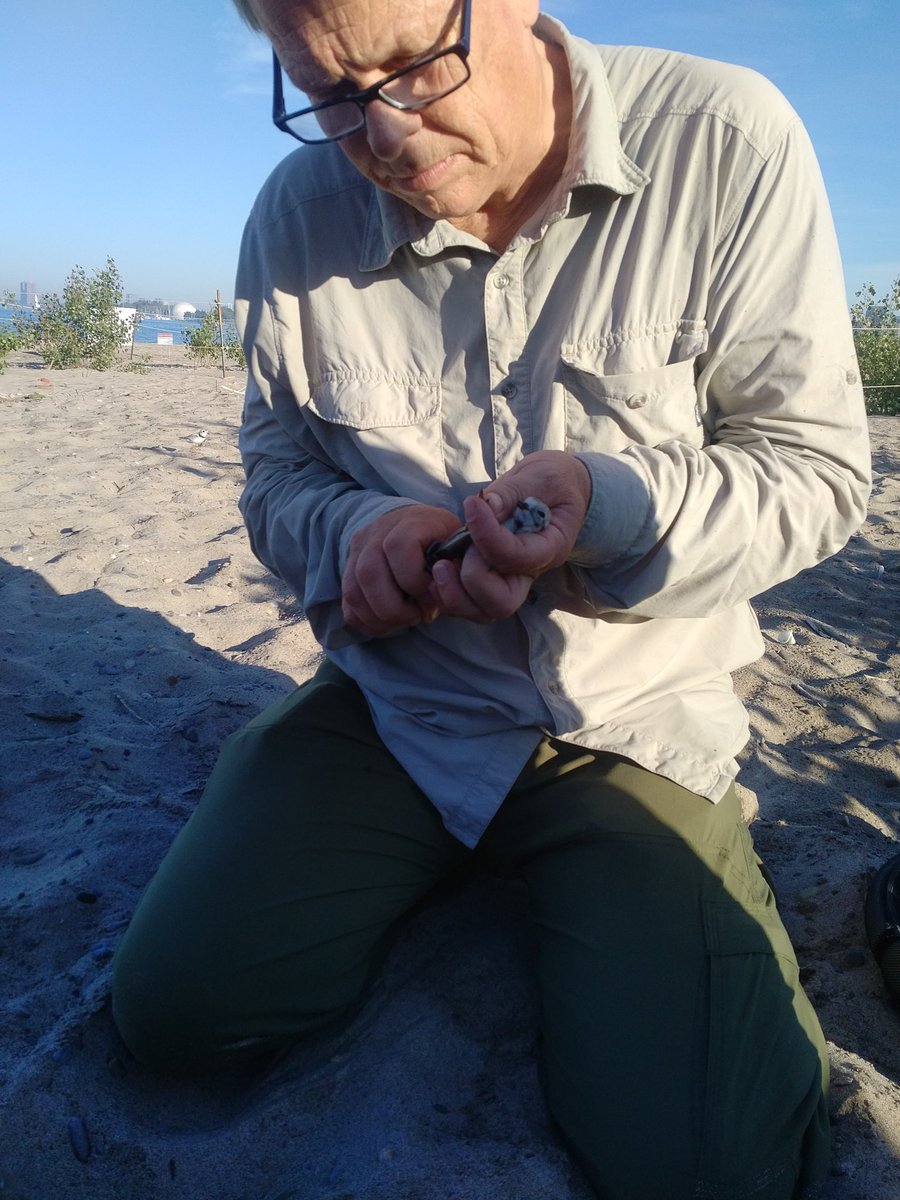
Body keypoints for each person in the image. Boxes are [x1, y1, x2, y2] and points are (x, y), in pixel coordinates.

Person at [111, 1, 872, 1196]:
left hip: (632, 721)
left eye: (414, 64)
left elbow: (814, 471)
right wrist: (356, 535)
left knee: (711, 1166)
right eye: (329, 92)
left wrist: (610, 507)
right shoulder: (295, 215)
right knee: (175, 1013)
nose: (383, 133)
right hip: (405, 707)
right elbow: (277, 474)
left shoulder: (727, 136)